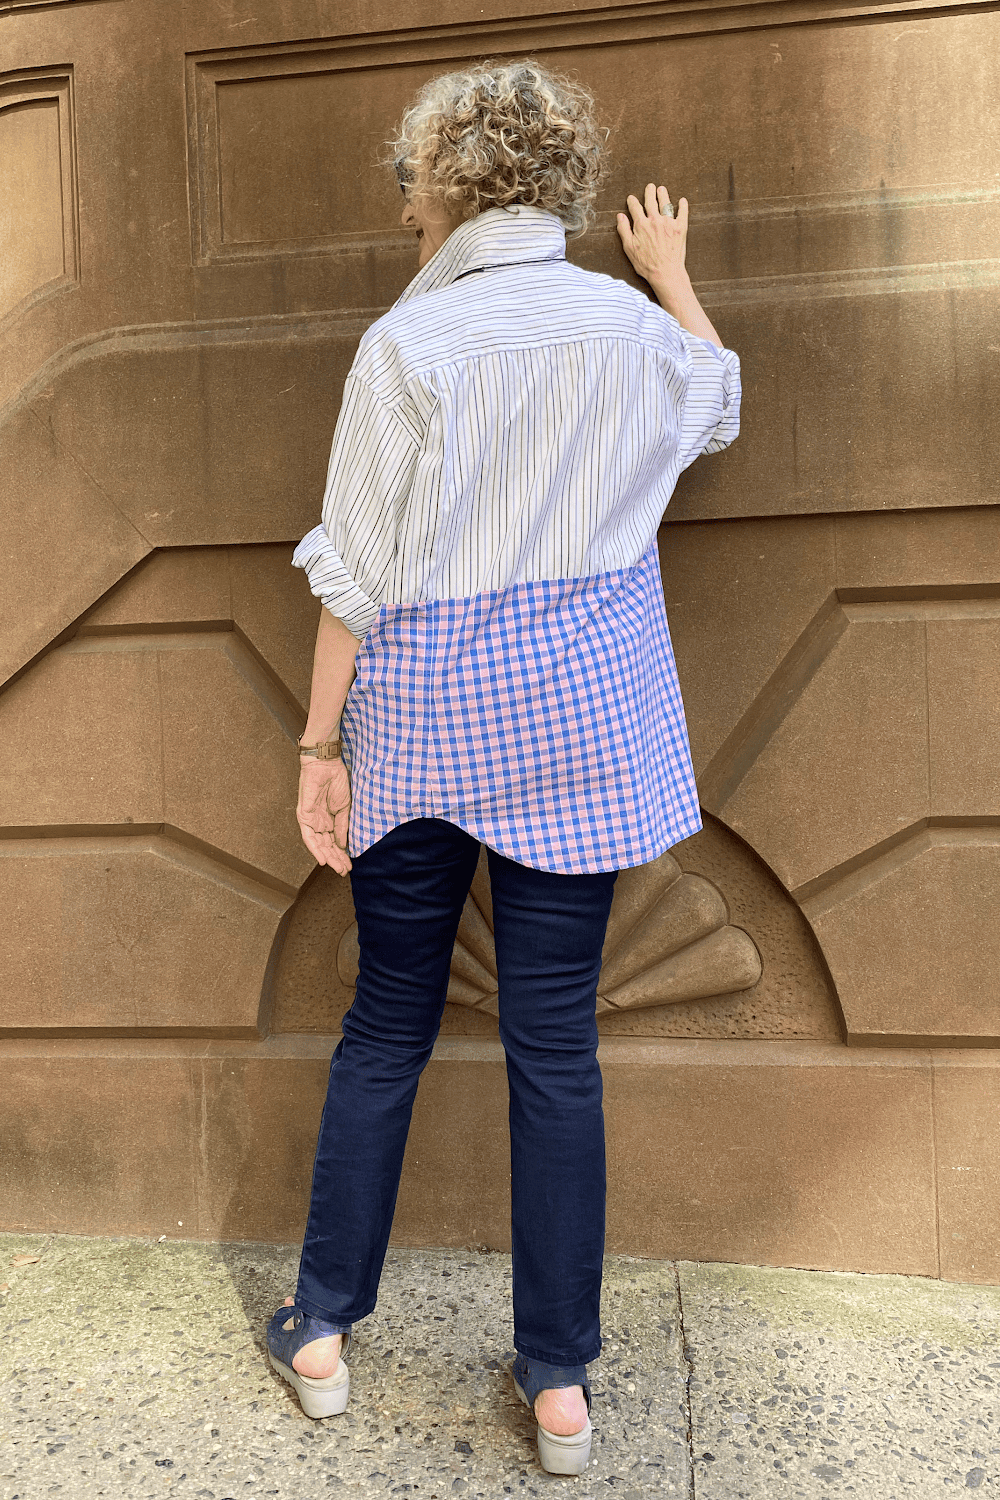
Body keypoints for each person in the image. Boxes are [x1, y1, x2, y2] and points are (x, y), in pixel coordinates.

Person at [266, 59, 740, 1476]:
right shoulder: (626, 326)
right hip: (582, 729)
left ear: (450, 185)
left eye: (411, 178)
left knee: (387, 1027)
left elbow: (351, 572)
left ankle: (324, 1332)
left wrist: (317, 746)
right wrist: (667, 275)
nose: (403, 203)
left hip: (423, 721)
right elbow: (716, 403)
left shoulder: (409, 345)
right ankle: (560, 1385)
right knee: (556, 1045)